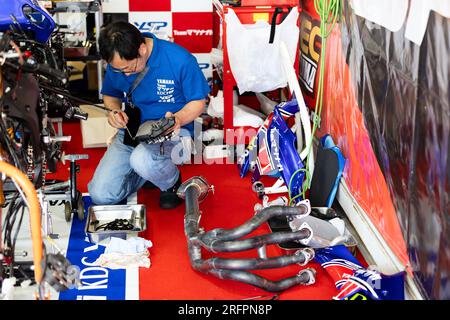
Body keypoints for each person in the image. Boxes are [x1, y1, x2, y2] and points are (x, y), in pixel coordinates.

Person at [88, 21, 210, 209]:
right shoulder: (118, 64)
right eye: (119, 70)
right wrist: (113, 111)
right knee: (101, 194)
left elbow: (198, 102)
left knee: (142, 160)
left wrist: (177, 119)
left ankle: (172, 182)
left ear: (142, 49)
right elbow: (111, 94)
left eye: (129, 68)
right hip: (133, 130)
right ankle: (147, 173)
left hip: (173, 131)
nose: (125, 74)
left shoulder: (179, 59)